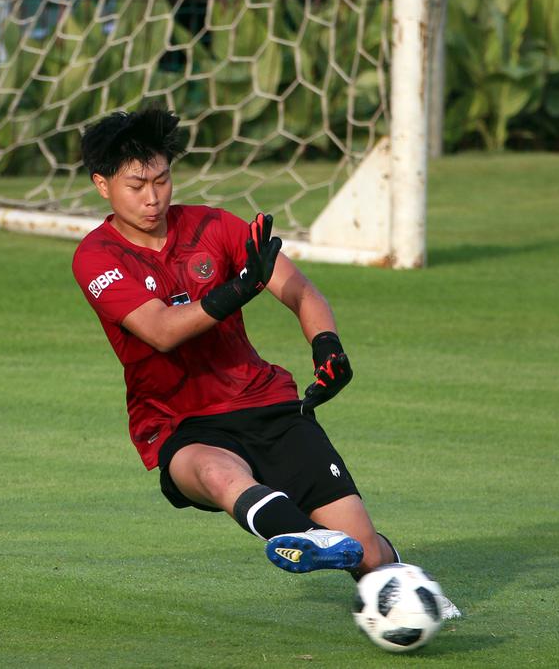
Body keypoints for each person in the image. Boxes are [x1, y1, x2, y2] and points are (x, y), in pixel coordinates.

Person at [70, 106, 458, 613]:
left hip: (266, 403)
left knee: (365, 555)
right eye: (136, 185)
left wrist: (327, 346)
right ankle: (303, 535)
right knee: (216, 474)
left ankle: (401, 581)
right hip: (180, 422)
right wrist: (239, 288)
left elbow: (301, 291)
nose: (152, 197)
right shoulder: (97, 256)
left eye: (162, 180)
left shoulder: (214, 226)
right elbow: (161, 331)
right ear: (102, 185)